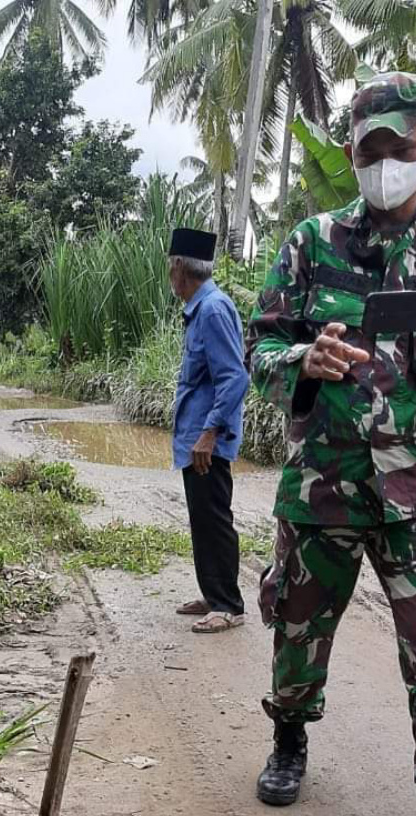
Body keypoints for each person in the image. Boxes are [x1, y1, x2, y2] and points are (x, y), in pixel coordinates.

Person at [246, 71, 416, 816]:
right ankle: (289, 736)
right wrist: (303, 354)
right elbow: (256, 353)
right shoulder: (310, 242)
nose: (388, 161)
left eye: (403, 145)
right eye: (373, 148)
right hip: (323, 485)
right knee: (297, 633)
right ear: (352, 152)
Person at [170, 228, 250, 633]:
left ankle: (228, 604)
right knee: (202, 517)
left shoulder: (214, 309)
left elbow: (234, 377)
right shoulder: (202, 309)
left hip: (208, 440)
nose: (170, 274)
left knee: (214, 517)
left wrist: (209, 433)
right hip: (197, 437)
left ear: (180, 268)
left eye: (171, 266)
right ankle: (213, 592)